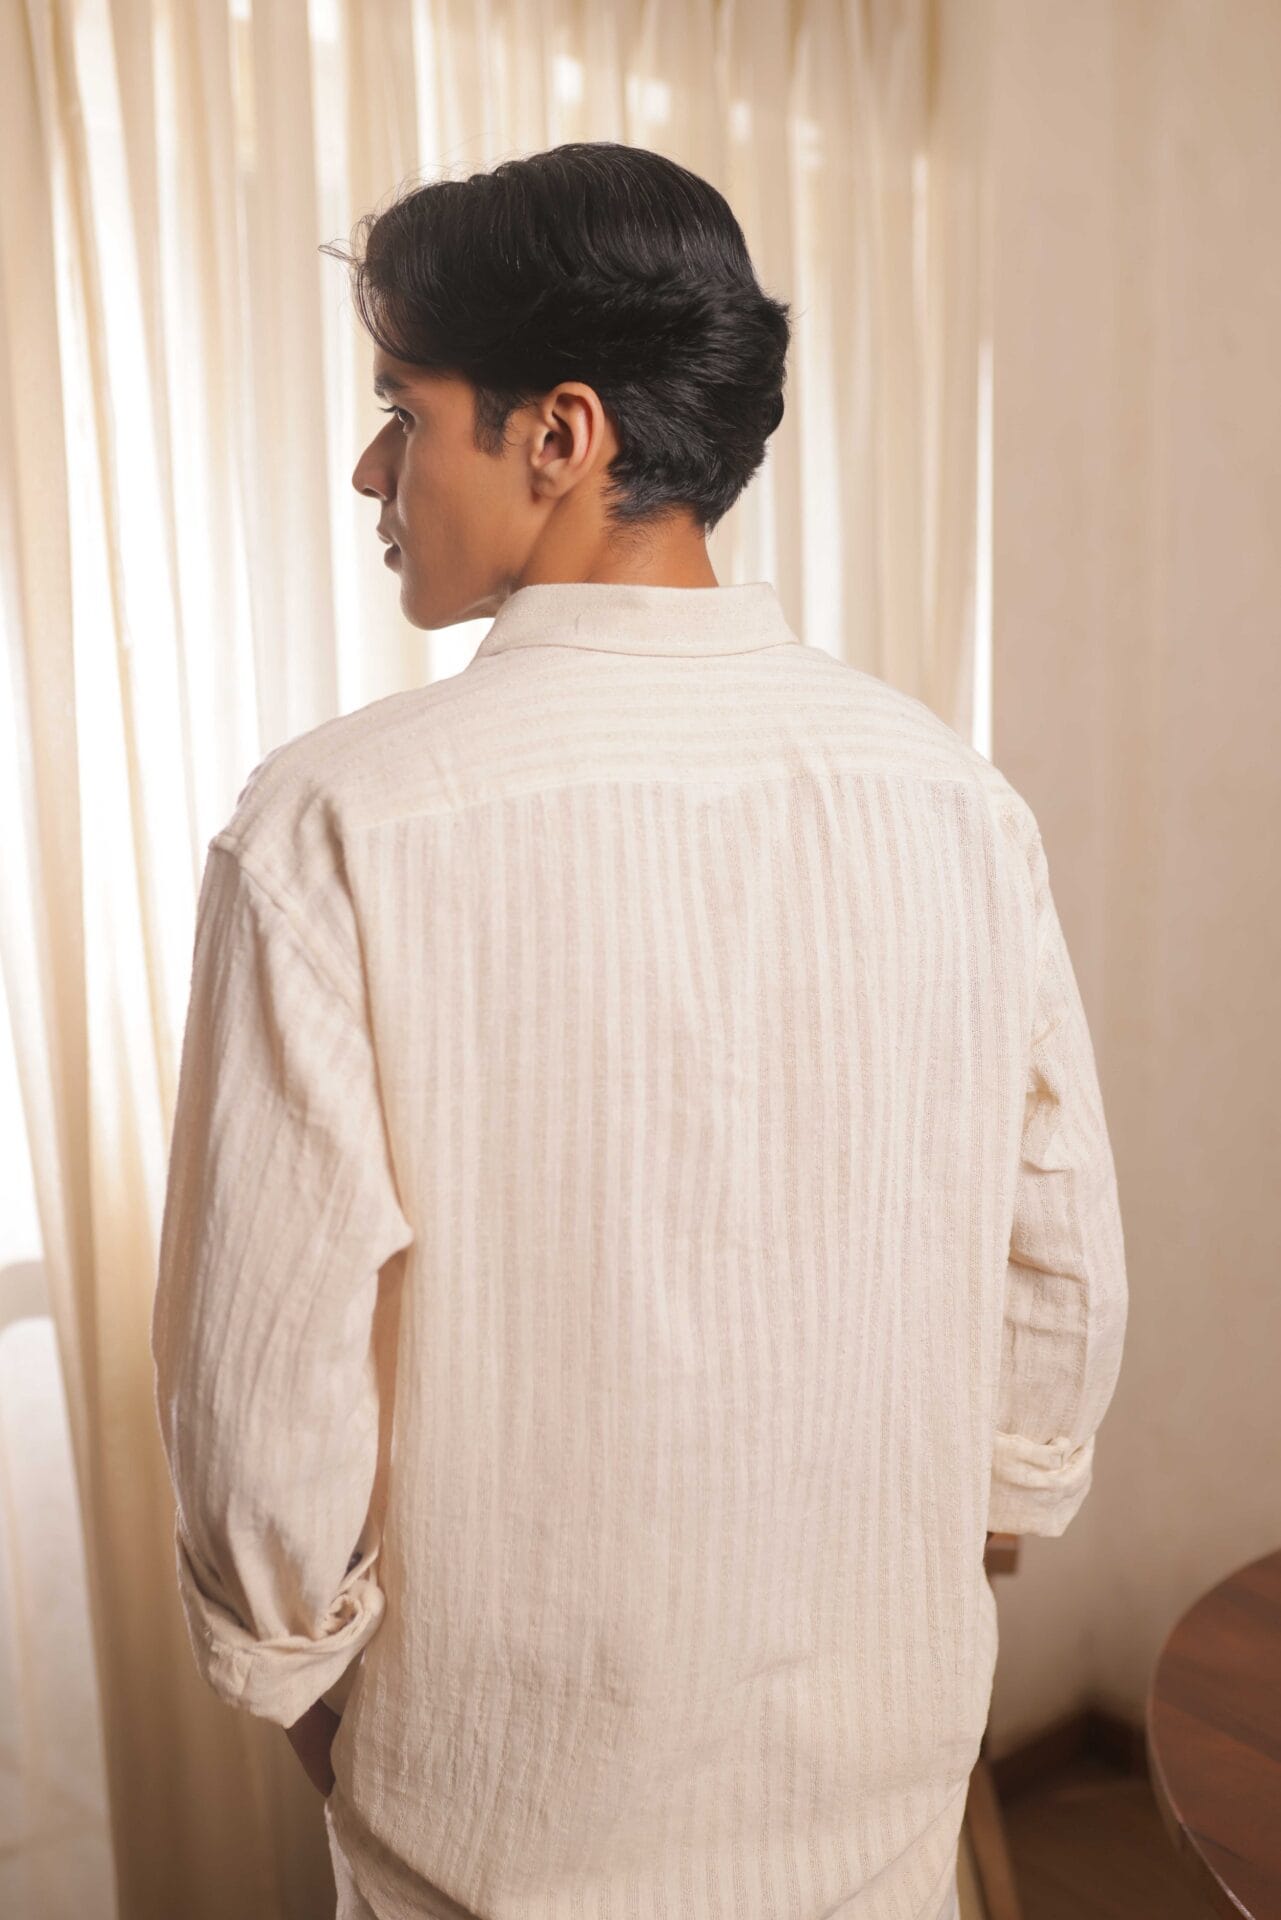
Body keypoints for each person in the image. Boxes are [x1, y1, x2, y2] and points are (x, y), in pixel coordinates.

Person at [151, 142, 1128, 1920]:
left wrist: (314, 1689)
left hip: (499, 1839)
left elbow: (264, 1374)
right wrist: (936, 1563)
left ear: (559, 435)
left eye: (402, 409)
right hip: (878, 1813)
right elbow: (1057, 1267)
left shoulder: (336, 823)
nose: (370, 470)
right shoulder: (949, 797)